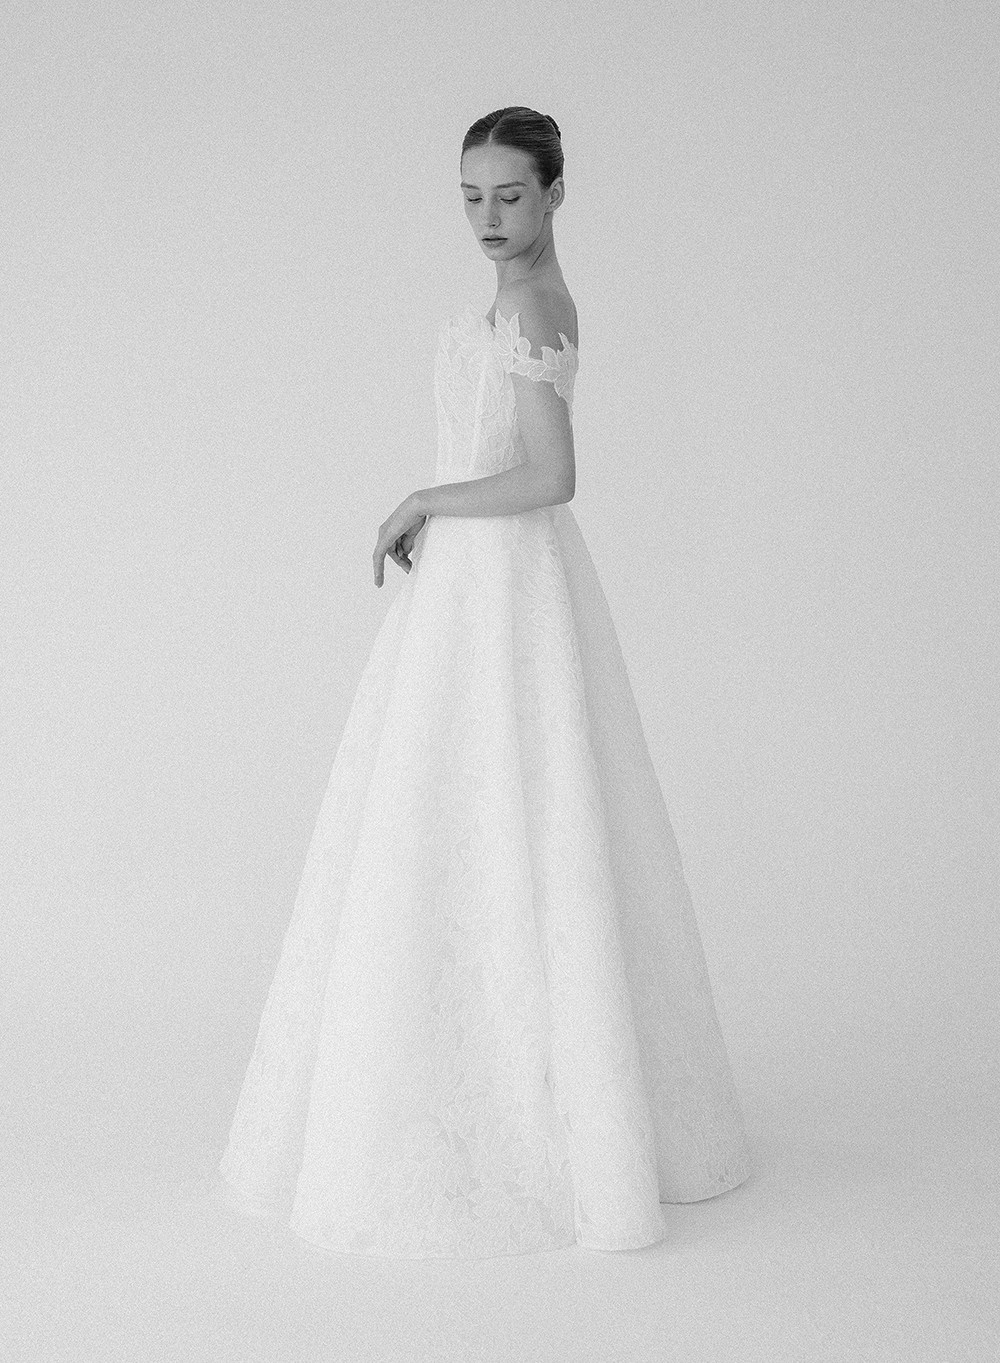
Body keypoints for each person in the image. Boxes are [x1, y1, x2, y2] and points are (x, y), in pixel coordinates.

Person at [216, 106, 752, 1259]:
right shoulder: (512, 304)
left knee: (501, 810)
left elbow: (552, 475)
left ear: (555, 193)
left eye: (510, 194)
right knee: (455, 815)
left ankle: (530, 1118)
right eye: (470, 196)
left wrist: (424, 498)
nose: (488, 218)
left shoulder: (536, 306)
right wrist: (445, 510)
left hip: (510, 583)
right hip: (474, 585)